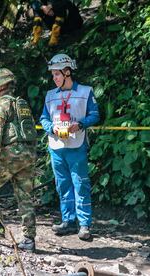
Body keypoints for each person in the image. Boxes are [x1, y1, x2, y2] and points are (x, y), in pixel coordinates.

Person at [40, 53, 99, 240]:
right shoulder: (50, 95)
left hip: (76, 145)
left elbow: (95, 115)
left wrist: (80, 124)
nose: (54, 78)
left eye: (57, 74)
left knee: (80, 183)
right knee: (62, 184)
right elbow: (43, 118)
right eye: (53, 75)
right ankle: (68, 221)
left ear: (67, 72)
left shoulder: (85, 91)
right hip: (56, 146)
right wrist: (51, 128)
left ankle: (84, 225)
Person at [0, 68, 38, 252]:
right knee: (25, 197)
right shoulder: (22, 104)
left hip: (10, 155)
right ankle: (29, 240)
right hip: (28, 154)